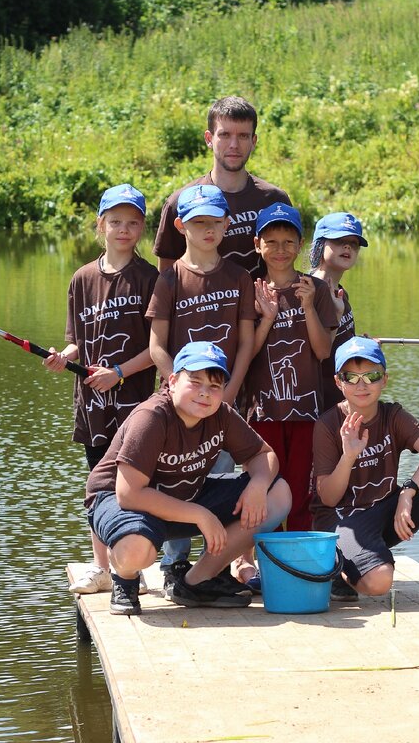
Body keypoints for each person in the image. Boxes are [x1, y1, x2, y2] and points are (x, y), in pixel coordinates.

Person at [84, 341, 291, 615]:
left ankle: (196, 581)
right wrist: (200, 515)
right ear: (172, 380)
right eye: (194, 381)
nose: (205, 394)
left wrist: (258, 484)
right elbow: (129, 494)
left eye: (214, 386)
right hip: (122, 502)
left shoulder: (221, 415)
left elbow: (264, 455)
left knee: (278, 493)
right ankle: (125, 577)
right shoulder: (151, 417)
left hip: (183, 497)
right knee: (136, 549)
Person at [44, 184, 158, 595]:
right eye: (115, 222)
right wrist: (64, 356)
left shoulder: (150, 278)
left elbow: (158, 350)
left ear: (142, 227)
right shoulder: (82, 279)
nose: (123, 230)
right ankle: (102, 567)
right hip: (93, 405)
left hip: (137, 405)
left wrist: (119, 373)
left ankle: (135, 565)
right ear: (101, 225)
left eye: (132, 222)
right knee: (98, 482)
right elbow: (77, 340)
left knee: (135, 484)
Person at [147, 184, 258, 586]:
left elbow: (245, 343)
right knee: (176, 477)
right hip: (180, 401)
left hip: (224, 400)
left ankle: (213, 565)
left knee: (222, 476)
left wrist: (225, 394)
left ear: (228, 224)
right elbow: (157, 345)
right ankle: (173, 562)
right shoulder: (170, 278)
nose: (208, 230)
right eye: (198, 223)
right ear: (181, 226)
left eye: (215, 222)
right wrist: (181, 387)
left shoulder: (240, 276)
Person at [310, 337, 419, 604]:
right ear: (338, 382)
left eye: (372, 376)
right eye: (351, 377)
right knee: (379, 583)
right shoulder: (328, 425)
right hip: (342, 521)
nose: (362, 385)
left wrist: (408, 493)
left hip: (385, 511)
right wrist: (349, 455)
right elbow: (328, 498)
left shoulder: (393, 415)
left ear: (384, 380)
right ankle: (338, 569)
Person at [243, 203, 336, 533]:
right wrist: (266, 317)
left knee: (300, 493)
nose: (280, 250)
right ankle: (262, 564)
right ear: (258, 245)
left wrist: (308, 306)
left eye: (288, 242)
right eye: (271, 242)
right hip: (263, 411)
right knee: (264, 491)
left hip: (306, 412)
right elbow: (248, 353)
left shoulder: (317, 290)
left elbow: (324, 351)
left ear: (300, 245)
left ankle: (299, 563)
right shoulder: (251, 290)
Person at [152, 96, 291, 274]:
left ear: (253, 141)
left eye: (243, 136)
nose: (234, 145)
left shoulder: (275, 200)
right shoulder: (179, 204)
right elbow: (167, 278)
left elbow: (287, 270)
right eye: (225, 135)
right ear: (209, 139)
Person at [309, 212, 367, 411]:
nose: (348, 247)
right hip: (317, 405)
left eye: (354, 243)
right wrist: (335, 315)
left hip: (340, 400)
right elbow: (318, 354)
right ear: (320, 244)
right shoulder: (309, 291)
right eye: (339, 240)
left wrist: (361, 347)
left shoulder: (341, 292)